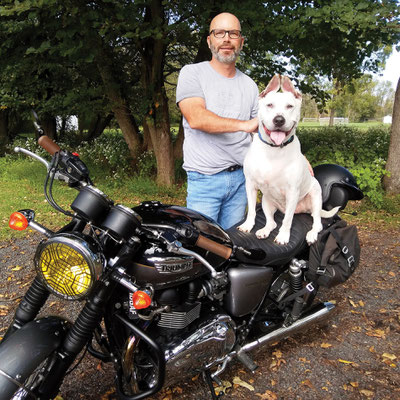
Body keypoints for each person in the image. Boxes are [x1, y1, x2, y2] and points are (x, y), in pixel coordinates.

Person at [176, 12, 259, 230]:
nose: (226, 39)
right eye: (219, 33)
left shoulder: (249, 85)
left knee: (233, 249)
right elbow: (196, 118)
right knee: (202, 247)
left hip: (242, 180)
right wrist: (245, 125)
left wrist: (297, 157)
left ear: (241, 41)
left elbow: (264, 131)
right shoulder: (192, 73)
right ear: (209, 40)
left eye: (233, 33)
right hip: (204, 181)